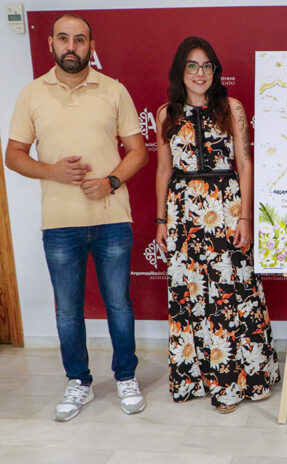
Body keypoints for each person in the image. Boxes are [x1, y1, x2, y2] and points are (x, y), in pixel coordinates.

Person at [5, 14, 148, 421]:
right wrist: (51, 170)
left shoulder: (114, 91)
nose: (72, 46)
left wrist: (112, 180)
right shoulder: (31, 94)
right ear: (50, 43)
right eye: (64, 39)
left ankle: (125, 376)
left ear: (91, 45)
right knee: (68, 309)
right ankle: (78, 382)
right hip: (60, 224)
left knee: (119, 303)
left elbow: (138, 150)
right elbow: (13, 155)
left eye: (80, 40)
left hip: (112, 218)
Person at [155, 36, 280, 413]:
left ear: (215, 72)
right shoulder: (166, 114)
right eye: (192, 66)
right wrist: (161, 219)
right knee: (191, 296)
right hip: (183, 217)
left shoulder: (232, 108)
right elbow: (163, 168)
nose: (200, 73)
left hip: (226, 212)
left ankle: (237, 382)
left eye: (207, 66)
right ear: (181, 70)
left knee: (232, 296)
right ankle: (196, 378)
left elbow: (244, 164)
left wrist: (245, 216)